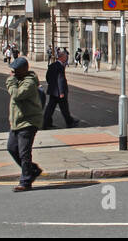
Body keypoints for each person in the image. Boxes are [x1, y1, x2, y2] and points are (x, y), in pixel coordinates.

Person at [5, 58, 45, 191]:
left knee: (24, 152)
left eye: (14, 70)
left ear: (22, 70)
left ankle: (25, 181)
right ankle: (32, 169)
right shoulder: (18, 80)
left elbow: (17, 95)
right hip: (17, 122)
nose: (12, 73)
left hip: (28, 121)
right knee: (12, 148)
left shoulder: (29, 82)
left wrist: (10, 81)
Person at [43, 49, 80, 129]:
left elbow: (47, 77)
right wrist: (62, 92)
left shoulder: (52, 65)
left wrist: (52, 86)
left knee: (50, 108)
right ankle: (69, 122)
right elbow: (61, 79)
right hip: (60, 92)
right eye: (66, 57)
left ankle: (46, 123)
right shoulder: (60, 67)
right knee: (64, 108)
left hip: (53, 91)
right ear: (62, 58)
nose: (66, 59)